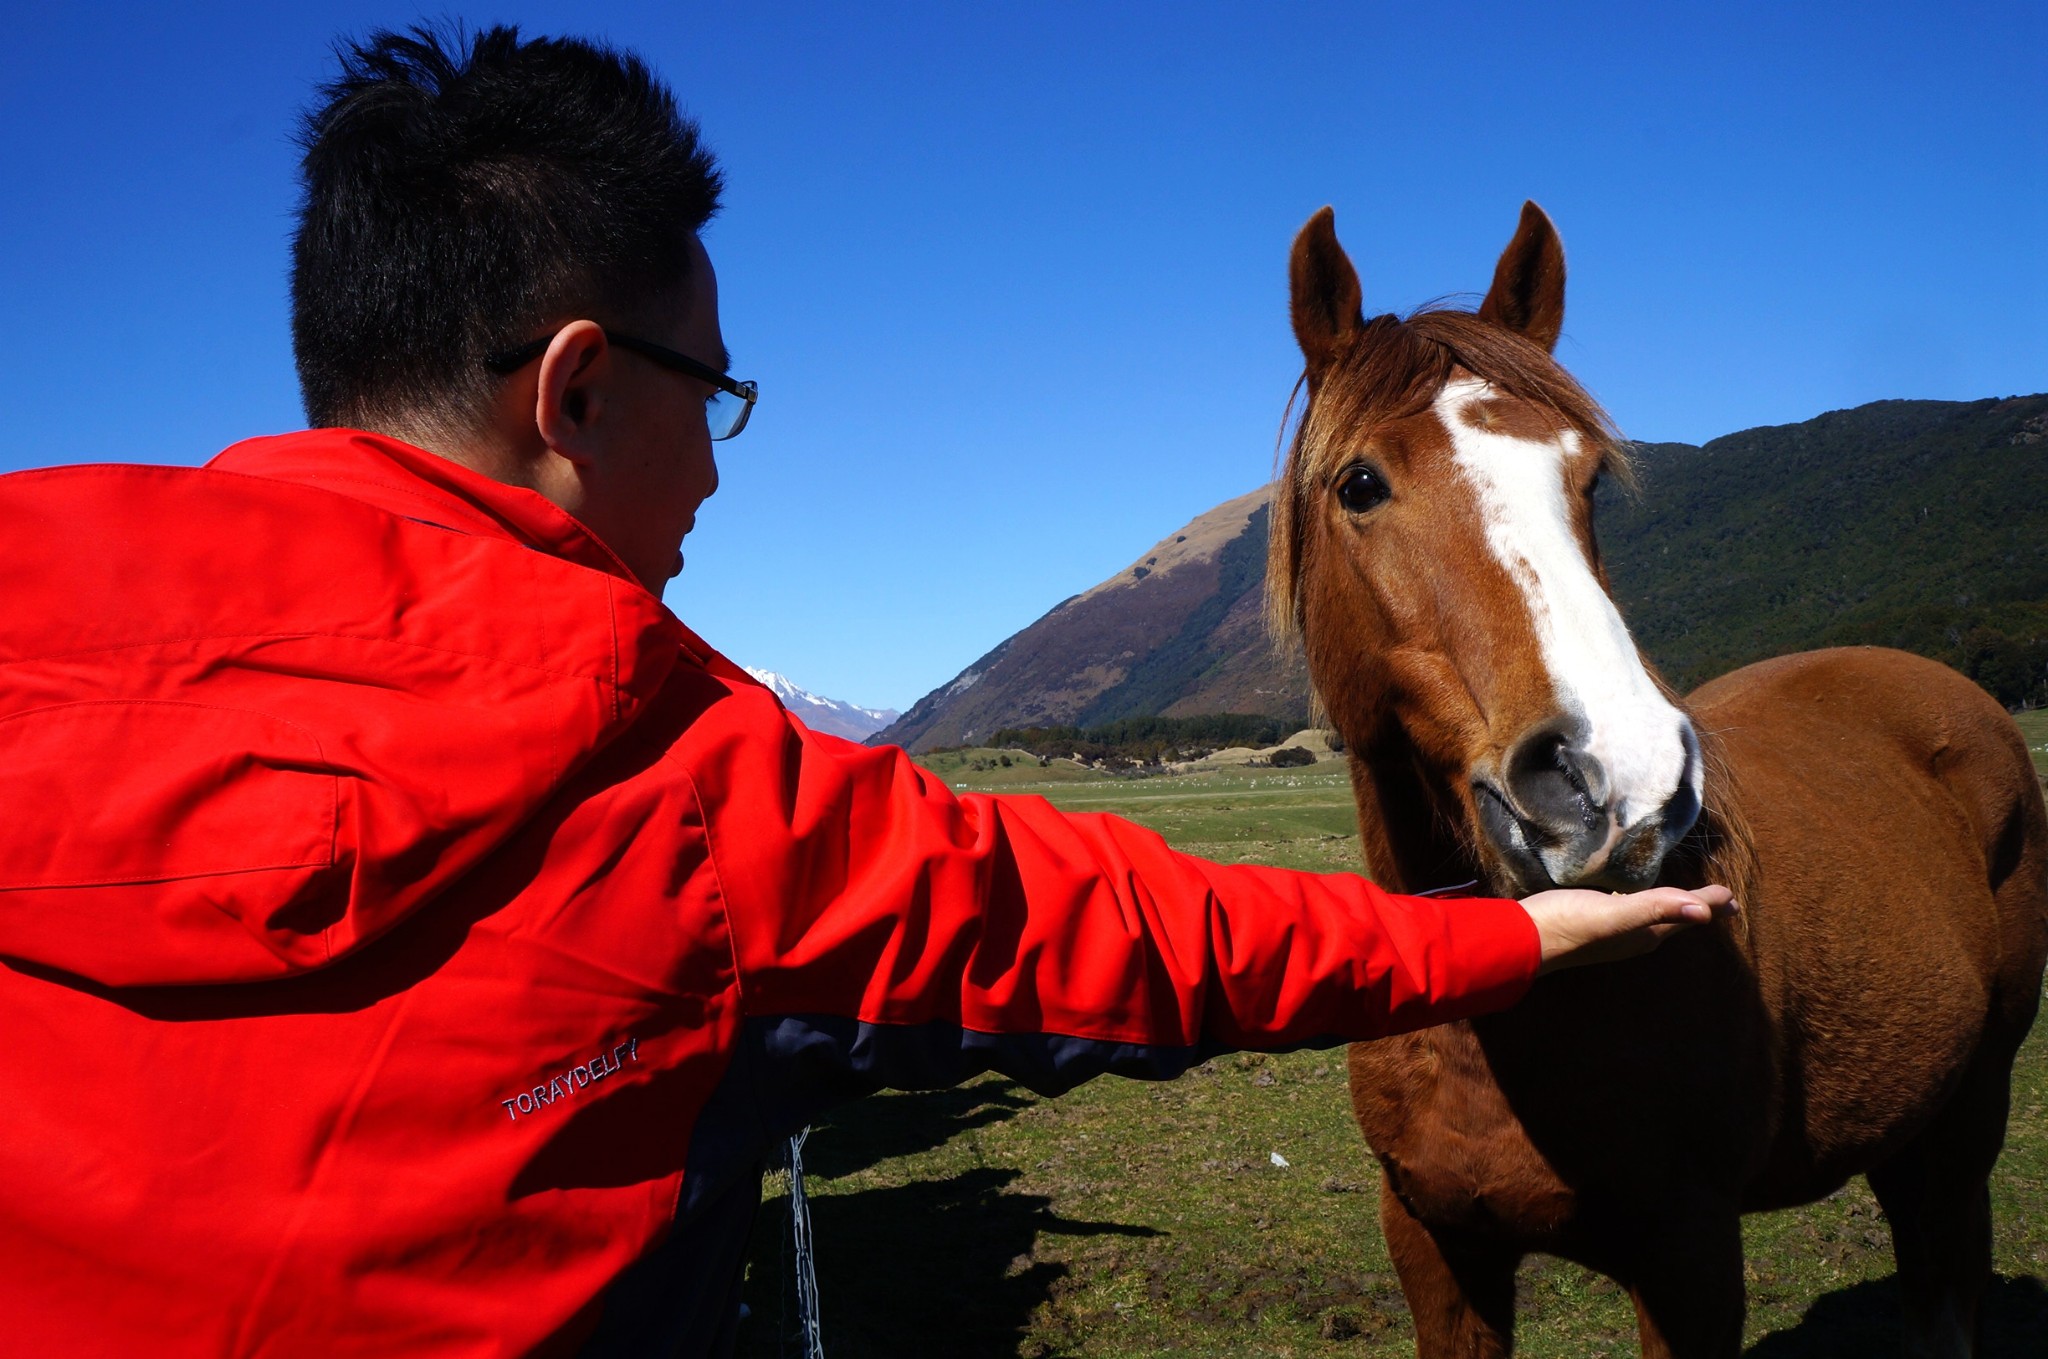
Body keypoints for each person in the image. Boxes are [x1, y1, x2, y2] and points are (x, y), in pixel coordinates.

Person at [0, 25, 1734, 1358]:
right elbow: (1112, 935)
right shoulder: (667, 772)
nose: (720, 468)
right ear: (579, 391)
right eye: (716, 392)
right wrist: (1509, 939)